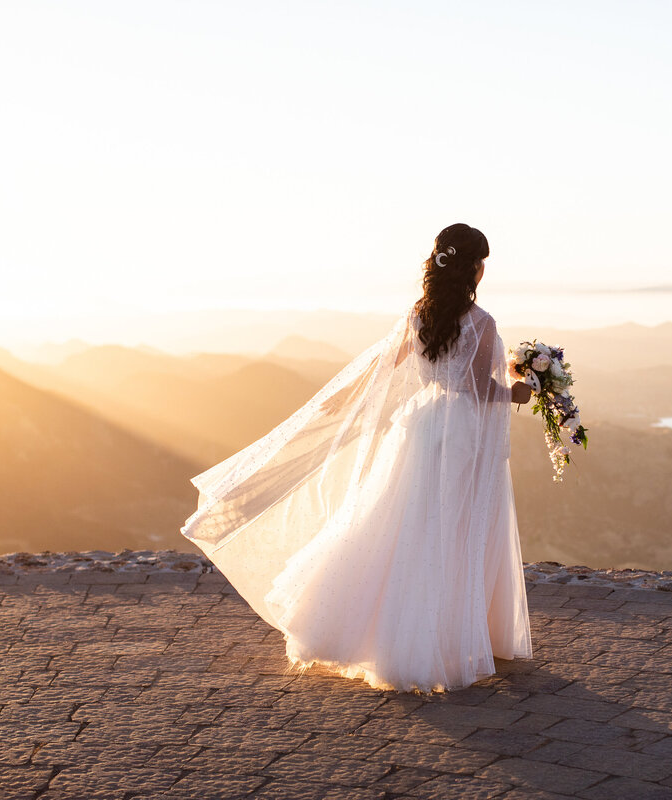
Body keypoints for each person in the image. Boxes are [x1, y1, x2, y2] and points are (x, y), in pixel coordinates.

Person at [180, 223, 535, 692]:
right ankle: (449, 637)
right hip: (461, 433)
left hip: (421, 425)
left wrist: (339, 401)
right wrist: (516, 392)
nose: (484, 269)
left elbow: (385, 368)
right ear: (471, 266)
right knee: (455, 528)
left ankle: (395, 630)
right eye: (481, 261)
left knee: (407, 524)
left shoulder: (419, 316)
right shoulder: (482, 322)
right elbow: (472, 386)